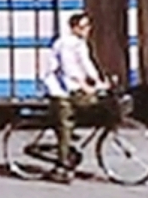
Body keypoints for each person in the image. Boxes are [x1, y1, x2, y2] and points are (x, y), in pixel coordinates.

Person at [41, 13, 108, 183]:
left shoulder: (80, 44)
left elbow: (87, 64)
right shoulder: (65, 44)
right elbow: (69, 70)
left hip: (70, 86)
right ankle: (61, 167)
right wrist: (85, 86)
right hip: (59, 89)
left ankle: (70, 149)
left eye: (88, 26)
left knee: (92, 104)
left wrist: (99, 81)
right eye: (83, 27)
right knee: (66, 124)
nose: (87, 30)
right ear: (74, 28)